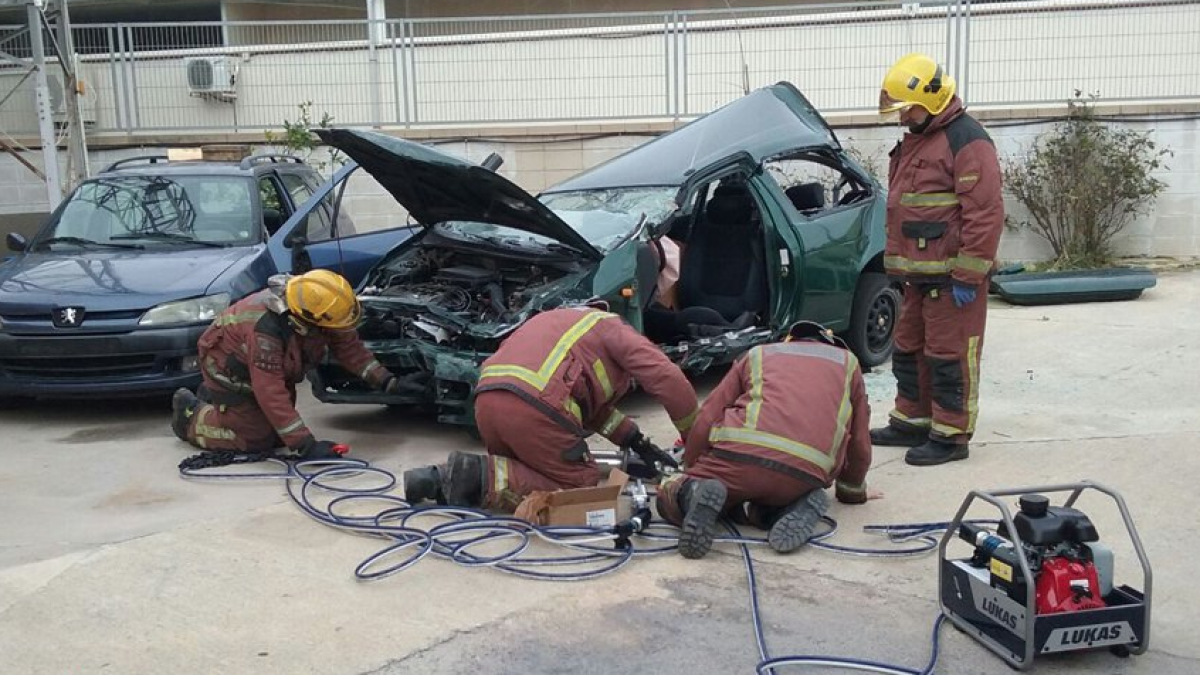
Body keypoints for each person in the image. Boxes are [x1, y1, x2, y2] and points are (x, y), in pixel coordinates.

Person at [403, 302, 699, 511]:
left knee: (528, 470)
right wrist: (695, 441)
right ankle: (462, 474)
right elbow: (668, 379)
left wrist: (636, 441)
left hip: (487, 403)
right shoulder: (616, 331)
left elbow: (594, 412)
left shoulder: (562, 322)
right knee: (580, 484)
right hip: (534, 409)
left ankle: (443, 480)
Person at [870, 53, 1005, 466]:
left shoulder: (967, 140)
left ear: (929, 100)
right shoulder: (919, 139)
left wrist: (968, 274)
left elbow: (984, 213)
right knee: (909, 350)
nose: (901, 116)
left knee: (950, 357)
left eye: (906, 108)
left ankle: (950, 436)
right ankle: (912, 421)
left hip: (952, 281)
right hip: (917, 278)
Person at [654, 321, 879, 559]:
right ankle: (782, 509)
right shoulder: (848, 365)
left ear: (789, 340)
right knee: (775, 495)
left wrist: (691, 469)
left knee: (670, 492)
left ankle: (693, 492)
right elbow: (859, 441)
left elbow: (708, 415)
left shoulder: (759, 354)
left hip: (737, 458)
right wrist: (852, 490)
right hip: (805, 473)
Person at [170, 270, 421, 458]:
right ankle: (192, 416)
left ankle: (224, 407)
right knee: (255, 441)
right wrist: (306, 446)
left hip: (269, 368)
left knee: (279, 435)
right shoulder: (266, 331)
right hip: (227, 369)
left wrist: (389, 382)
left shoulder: (319, 305)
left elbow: (349, 349)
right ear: (305, 321)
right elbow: (270, 392)